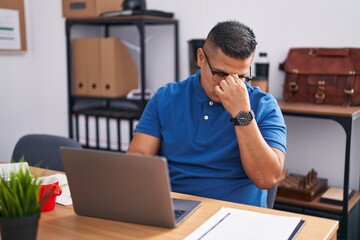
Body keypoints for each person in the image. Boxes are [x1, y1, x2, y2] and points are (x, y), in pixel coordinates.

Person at [127, 20, 286, 208]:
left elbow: (267, 178)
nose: (230, 84)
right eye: (220, 73)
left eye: (241, 77)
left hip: (237, 217)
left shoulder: (264, 105)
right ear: (201, 58)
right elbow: (137, 159)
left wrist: (241, 113)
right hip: (174, 209)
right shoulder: (166, 97)